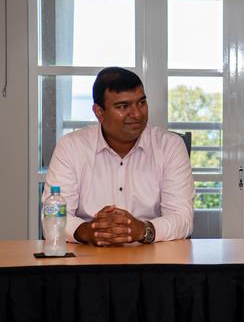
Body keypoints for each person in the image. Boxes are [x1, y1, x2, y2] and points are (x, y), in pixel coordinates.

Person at [43, 67, 195, 246]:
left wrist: (142, 229)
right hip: (88, 258)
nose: (137, 114)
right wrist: (88, 231)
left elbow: (182, 218)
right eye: (123, 106)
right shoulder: (71, 147)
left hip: (152, 259)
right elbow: (53, 216)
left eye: (141, 102)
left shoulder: (170, 146)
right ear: (99, 112)